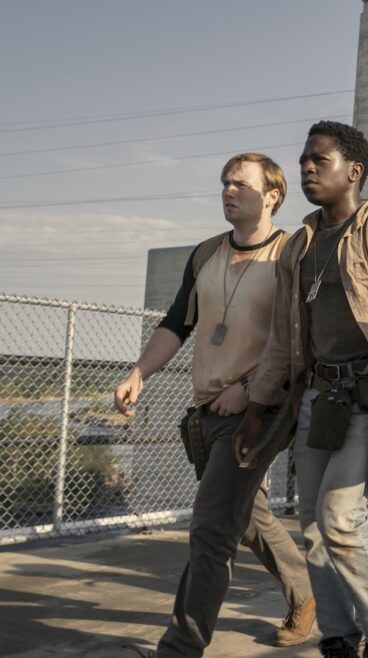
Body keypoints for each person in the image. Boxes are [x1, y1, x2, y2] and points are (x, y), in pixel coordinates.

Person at [237, 121, 368, 658]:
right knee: (311, 527)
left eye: (318, 161)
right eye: (303, 160)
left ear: (353, 171)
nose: (306, 168)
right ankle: (337, 636)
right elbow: (285, 335)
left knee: (341, 519)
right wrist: (259, 406)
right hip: (315, 400)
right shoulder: (300, 243)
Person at [114, 153, 315, 656]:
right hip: (208, 408)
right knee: (245, 515)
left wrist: (250, 386)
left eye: (241, 184)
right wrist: (140, 372)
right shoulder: (206, 253)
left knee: (210, 526)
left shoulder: (292, 252)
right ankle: (305, 593)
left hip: (260, 409)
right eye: (225, 183)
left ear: (272, 195)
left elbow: (300, 336)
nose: (229, 191)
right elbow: (176, 324)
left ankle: (182, 646)